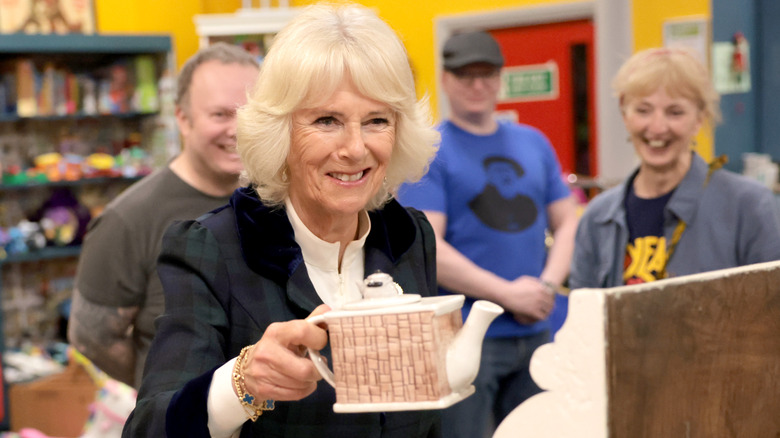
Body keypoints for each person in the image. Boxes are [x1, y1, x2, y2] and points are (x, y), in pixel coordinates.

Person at [122, 3, 441, 437]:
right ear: (279, 131)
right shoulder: (214, 248)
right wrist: (242, 384)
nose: (354, 148)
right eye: (326, 120)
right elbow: (148, 428)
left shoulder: (409, 236)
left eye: (377, 121)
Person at [398, 31, 579, 438]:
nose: (477, 85)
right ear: (446, 79)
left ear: (500, 78)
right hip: (468, 339)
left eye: (486, 74)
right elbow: (431, 247)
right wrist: (507, 294)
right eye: (465, 75)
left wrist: (546, 286)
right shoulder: (431, 150)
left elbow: (568, 220)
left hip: (536, 331)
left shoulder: (533, 143)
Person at [68, 42, 260, 388]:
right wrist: (165, 386)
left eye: (251, 113)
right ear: (182, 119)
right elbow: (92, 337)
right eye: (220, 114)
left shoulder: (281, 200)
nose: (237, 129)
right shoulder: (129, 219)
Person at [569, 47, 780, 290]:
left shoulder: (747, 205)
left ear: (699, 118)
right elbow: (585, 317)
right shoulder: (598, 218)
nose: (657, 127)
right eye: (643, 110)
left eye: (675, 112)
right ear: (624, 113)